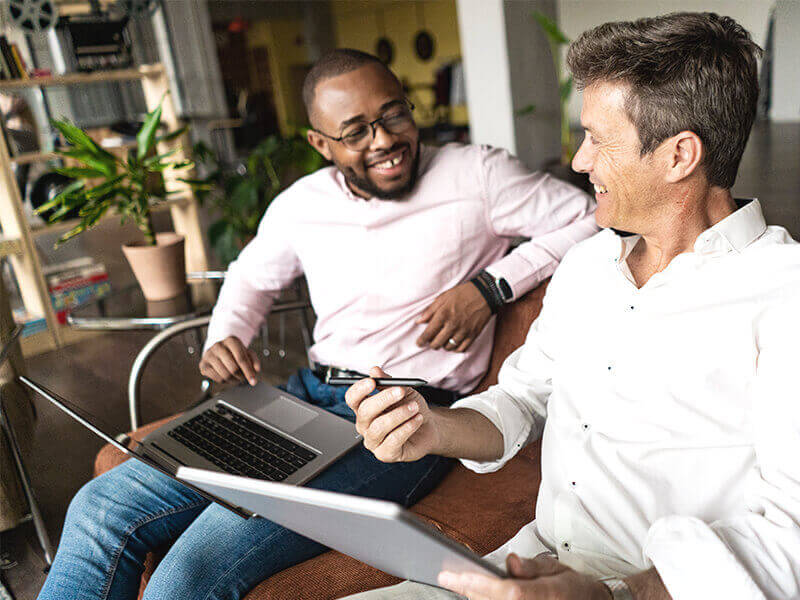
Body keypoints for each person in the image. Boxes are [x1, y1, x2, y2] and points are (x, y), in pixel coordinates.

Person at [37, 49, 596, 600]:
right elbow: (251, 278)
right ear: (320, 144)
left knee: (188, 573)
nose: (383, 141)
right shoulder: (299, 204)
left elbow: (587, 217)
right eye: (355, 132)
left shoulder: (477, 173)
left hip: (396, 418)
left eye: (393, 115)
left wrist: (489, 288)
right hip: (300, 399)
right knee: (97, 508)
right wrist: (227, 335)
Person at [341, 12, 800, 600]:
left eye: (599, 140)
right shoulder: (587, 266)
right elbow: (523, 398)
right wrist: (433, 426)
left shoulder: (785, 294)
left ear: (679, 155)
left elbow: (790, 531)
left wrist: (618, 595)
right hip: (527, 567)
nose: (580, 161)